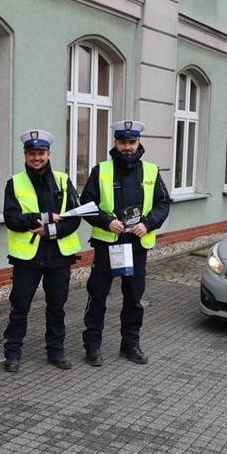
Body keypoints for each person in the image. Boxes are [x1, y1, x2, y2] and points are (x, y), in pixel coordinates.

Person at [80, 120, 171, 366]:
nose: (128, 147)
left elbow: (163, 203)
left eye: (132, 142)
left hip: (137, 245)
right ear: (115, 143)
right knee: (97, 296)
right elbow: (86, 206)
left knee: (133, 298)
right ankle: (92, 346)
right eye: (123, 142)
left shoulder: (151, 171)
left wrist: (148, 224)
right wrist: (106, 222)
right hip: (107, 244)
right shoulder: (101, 170)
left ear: (138, 142)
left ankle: (130, 345)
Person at [1, 130, 82, 373]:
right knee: (20, 307)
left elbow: (75, 217)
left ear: (49, 154)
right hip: (27, 258)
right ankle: (13, 353)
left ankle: (56, 351)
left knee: (57, 306)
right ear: (25, 155)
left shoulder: (63, 180)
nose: (37, 158)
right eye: (32, 153)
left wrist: (51, 232)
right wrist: (41, 218)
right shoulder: (14, 183)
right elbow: (11, 218)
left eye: (41, 153)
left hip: (58, 256)